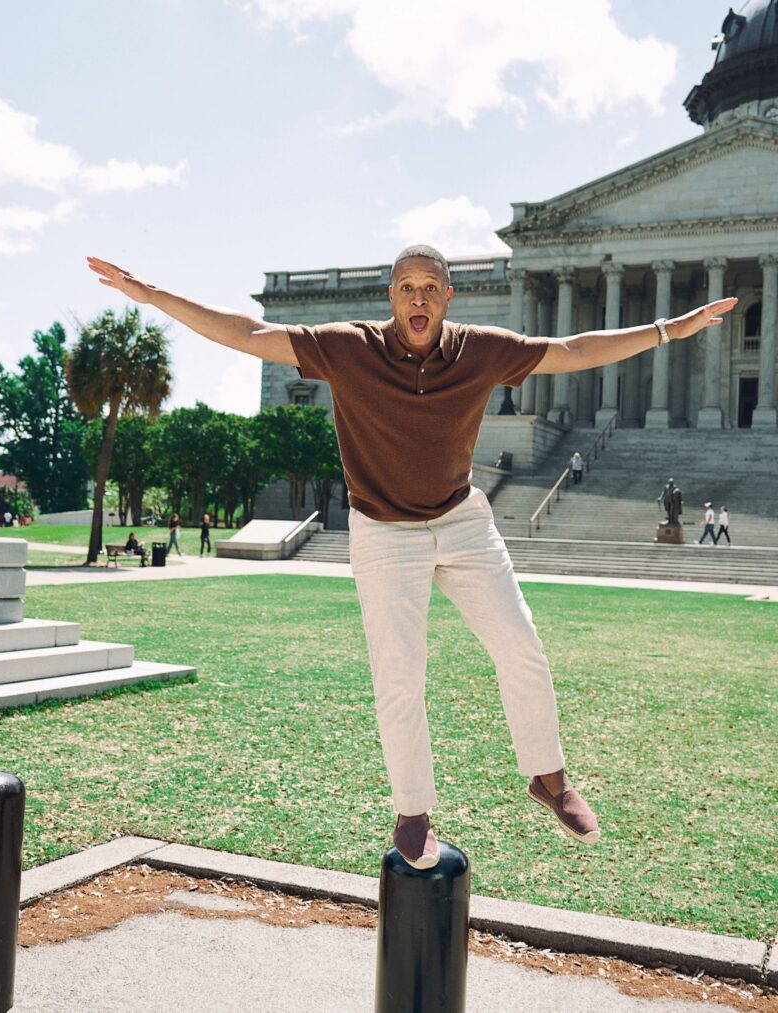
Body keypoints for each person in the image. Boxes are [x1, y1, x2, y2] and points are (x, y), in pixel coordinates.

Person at [88, 246, 735, 869]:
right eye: (407, 287)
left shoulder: (479, 350)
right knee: (400, 673)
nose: (419, 297)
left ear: (448, 298)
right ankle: (413, 811)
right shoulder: (350, 348)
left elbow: (571, 351)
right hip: (383, 529)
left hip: (460, 520)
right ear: (390, 297)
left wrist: (668, 329)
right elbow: (250, 334)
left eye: (431, 287)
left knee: (520, 642)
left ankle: (549, 777)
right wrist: (149, 294)